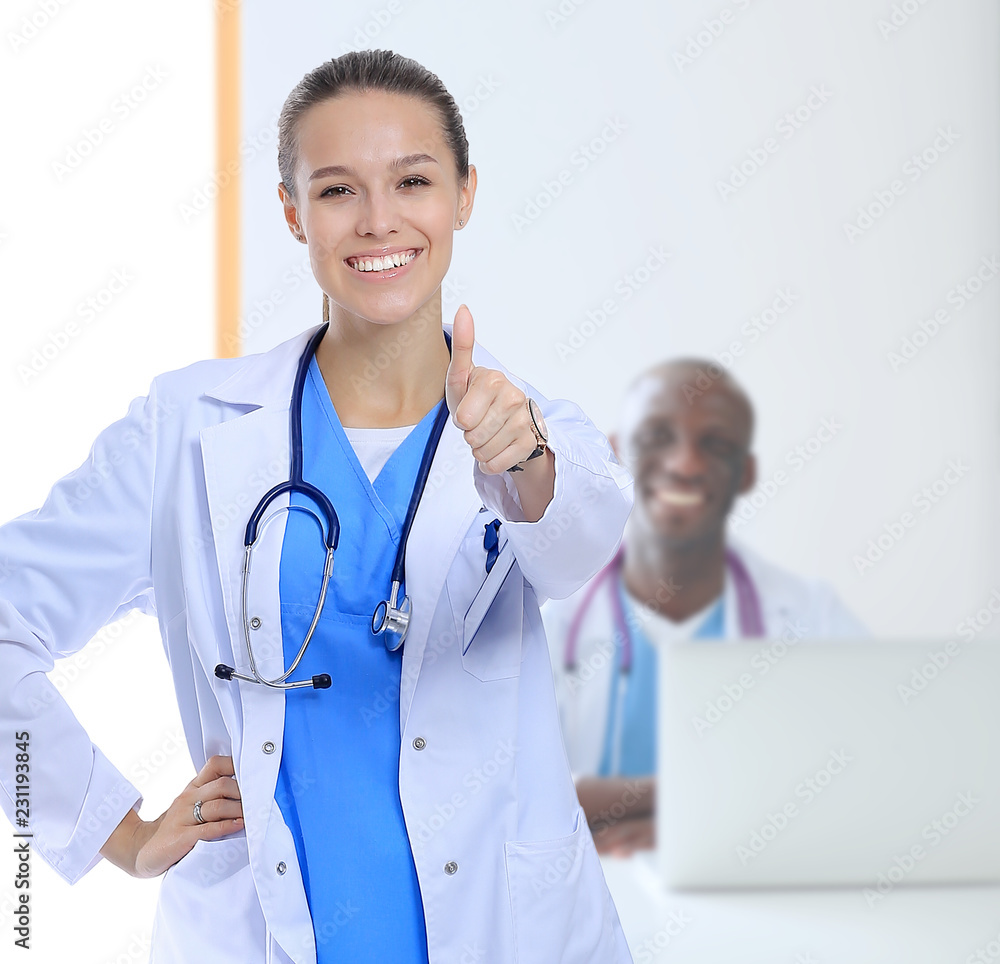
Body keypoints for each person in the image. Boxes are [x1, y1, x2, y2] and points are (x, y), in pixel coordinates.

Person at [0, 51, 635, 963]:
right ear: (294, 212)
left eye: (413, 180)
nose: (380, 221)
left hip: (507, 931)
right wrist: (115, 832)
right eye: (338, 190)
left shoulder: (529, 424)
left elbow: (577, 546)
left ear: (464, 195)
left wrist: (523, 457)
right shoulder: (184, 430)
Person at [542, 358, 865, 857]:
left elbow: (874, 784)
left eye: (714, 444)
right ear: (615, 453)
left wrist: (655, 814)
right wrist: (708, 805)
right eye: (656, 437)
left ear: (746, 472)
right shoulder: (544, 622)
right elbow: (506, 808)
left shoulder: (812, 619)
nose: (685, 465)